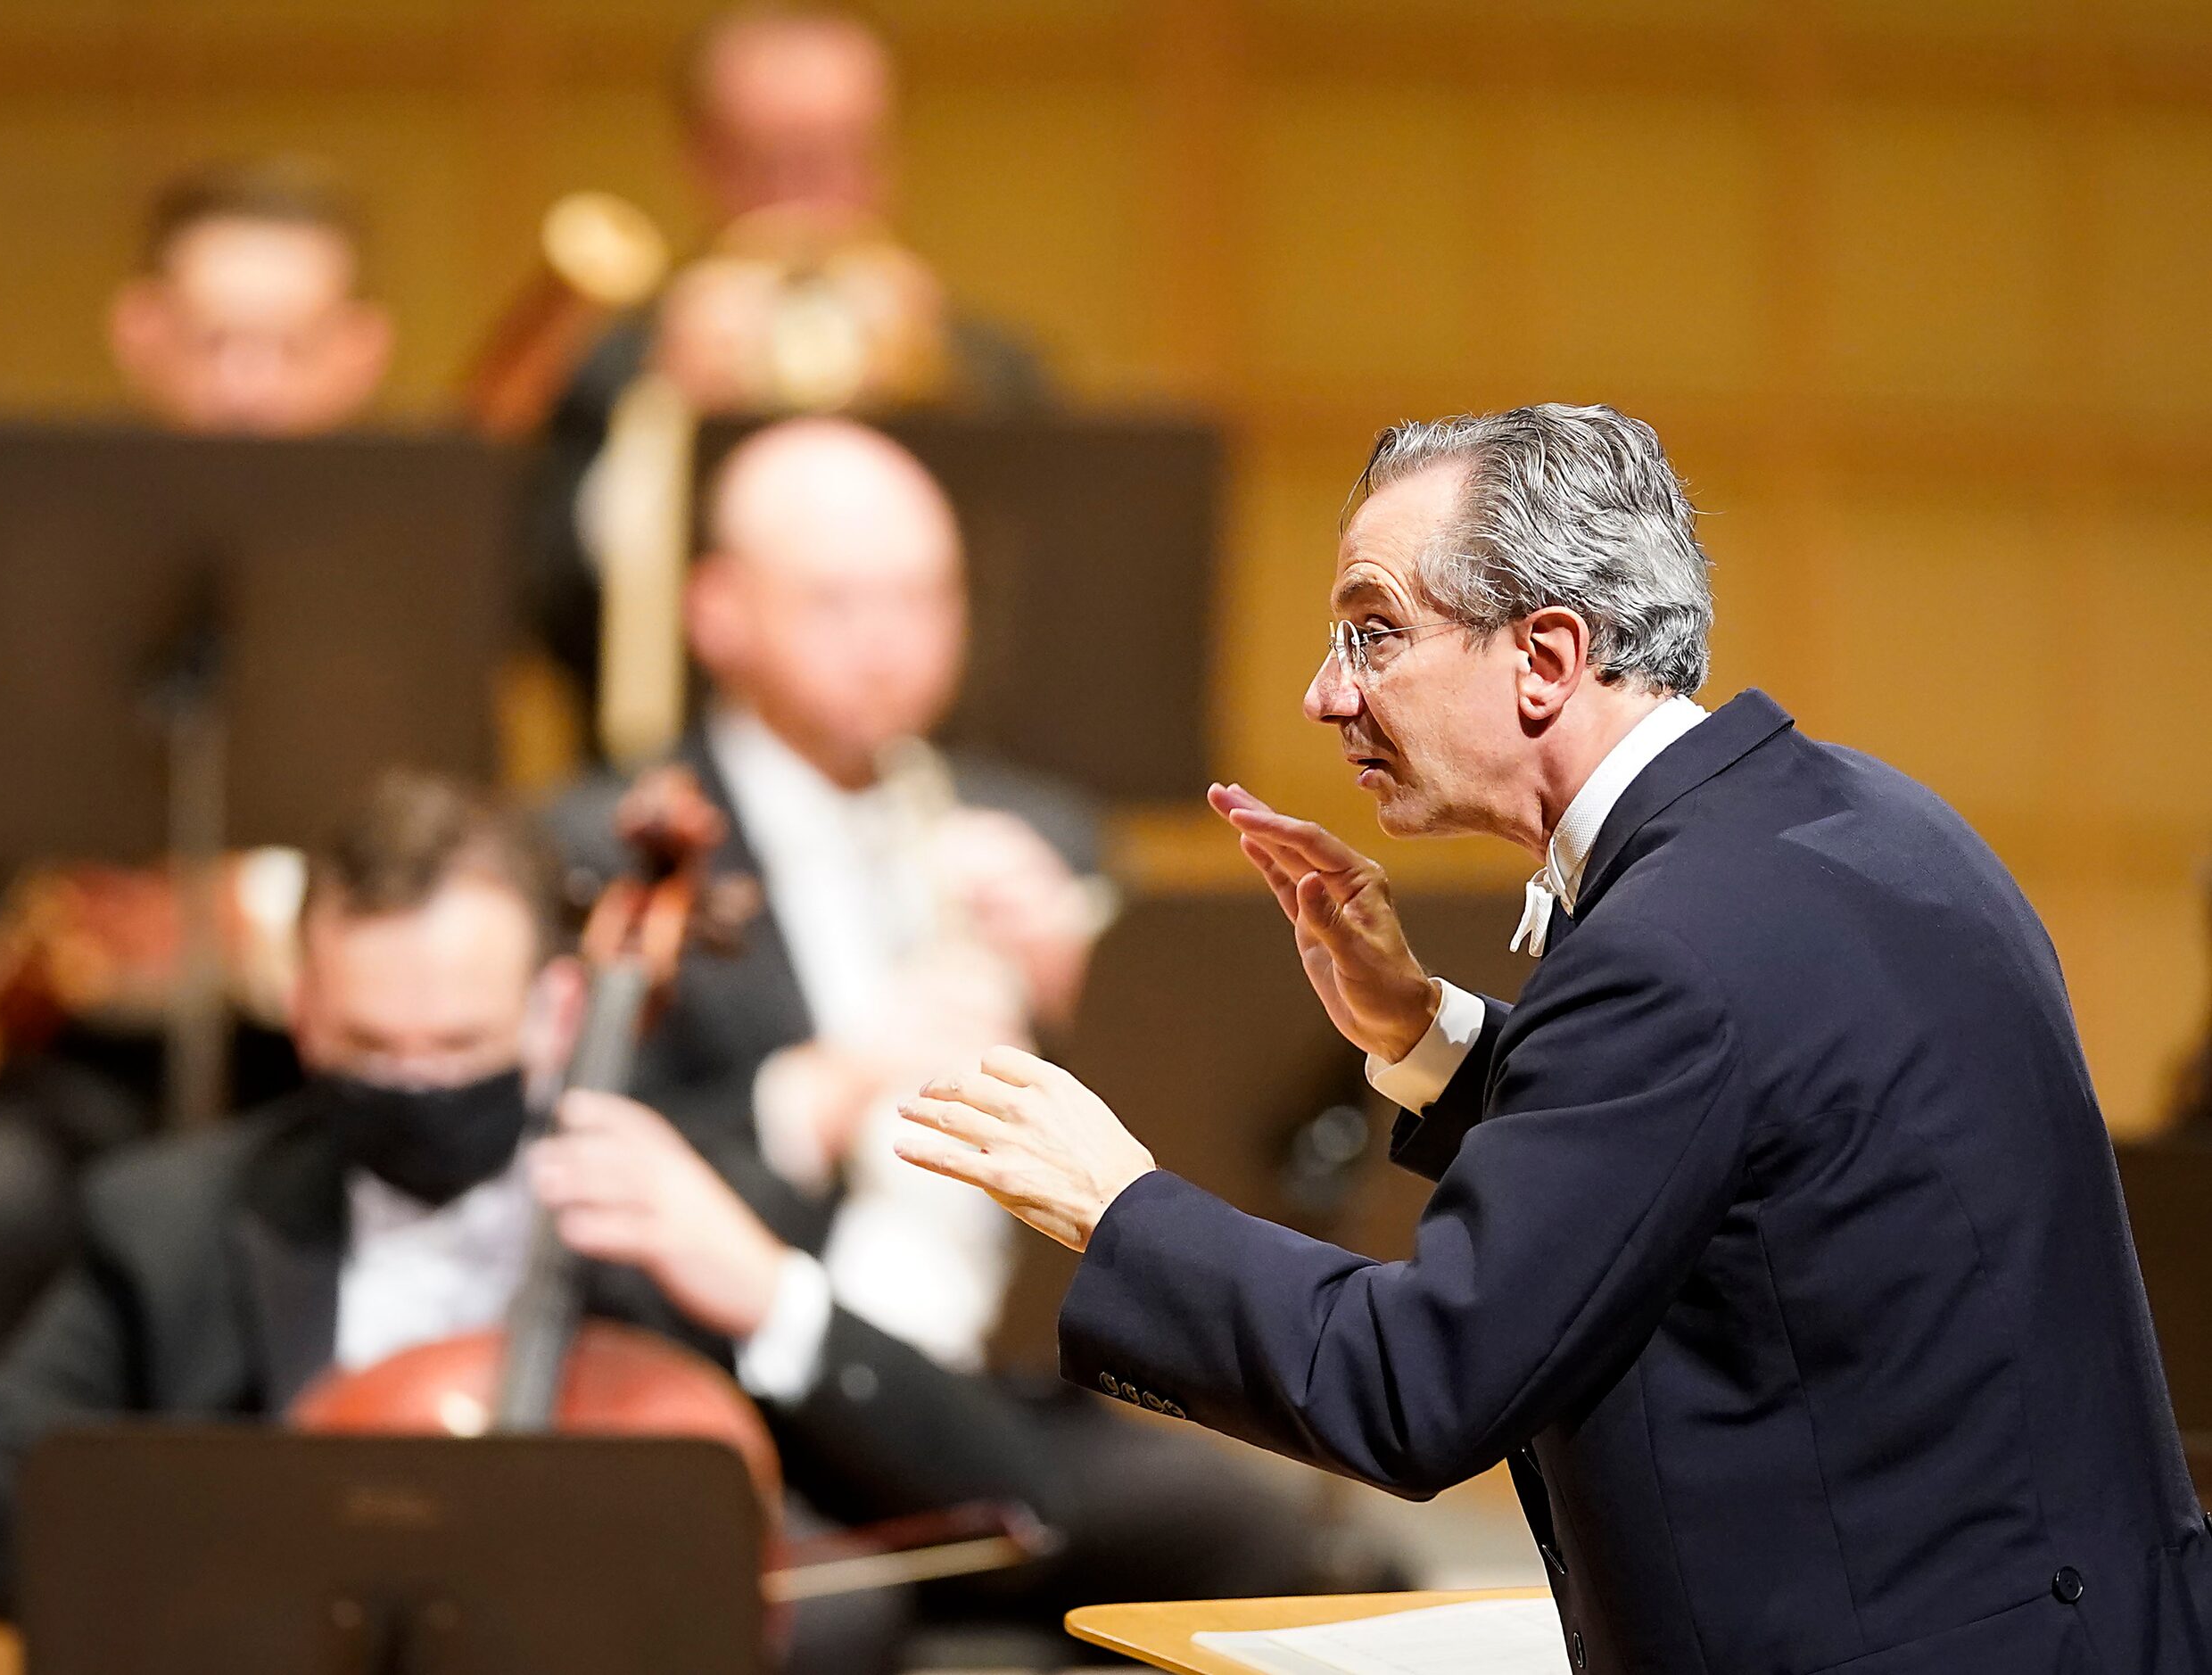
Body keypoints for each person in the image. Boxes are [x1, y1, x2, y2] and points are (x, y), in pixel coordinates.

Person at [899, 404, 2212, 1673]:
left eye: (1372, 633)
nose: (1319, 693)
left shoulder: (1670, 944)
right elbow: (1722, 1151)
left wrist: (1116, 1205)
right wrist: (1425, 1034)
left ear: (1544, 655)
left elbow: (1419, 1386)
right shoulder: (1874, 820)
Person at [0, 770, 1069, 1675]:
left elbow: (1005, 1498)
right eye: (375, 1046)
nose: (421, 1084)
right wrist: (271, 1541)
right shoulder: (175, 1221)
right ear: (309, 1012)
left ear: (554, 1009)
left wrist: (765, 1290)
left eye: (459, 1046)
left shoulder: (692, 1197)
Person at [547, 417, 1346, 1652]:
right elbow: (566, 1157)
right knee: (828, 1619)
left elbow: (1200, 1149)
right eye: (836, 601)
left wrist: (1087, 988)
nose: (889, 642)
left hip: (1012, 1379)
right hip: (758, 1384)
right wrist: (813, 1092)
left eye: (924, 597)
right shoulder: (608, 843)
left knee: (1268, 1540)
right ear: (715, 610)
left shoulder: (1044, 830)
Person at [0, 155, 393, 1382]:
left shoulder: (411, 570)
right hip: (64, 1072)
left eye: (289, 345)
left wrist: (245, 916)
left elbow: (455, 844)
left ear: (359, 351)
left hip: (316, 1067)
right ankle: (31, 1559)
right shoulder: (32, 553)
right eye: (214, 342)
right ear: (141, 336)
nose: (248, 389)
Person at [510, 4, 1047, 746]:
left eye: (841, 153)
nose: (809, 195)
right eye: (773, 158)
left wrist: (941, 400)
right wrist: (660, 415)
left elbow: (1052, 616)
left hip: (945, 778)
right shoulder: (615, 369)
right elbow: (548, 618)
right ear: (700, 159)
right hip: (682, 794)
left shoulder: (988, 370)